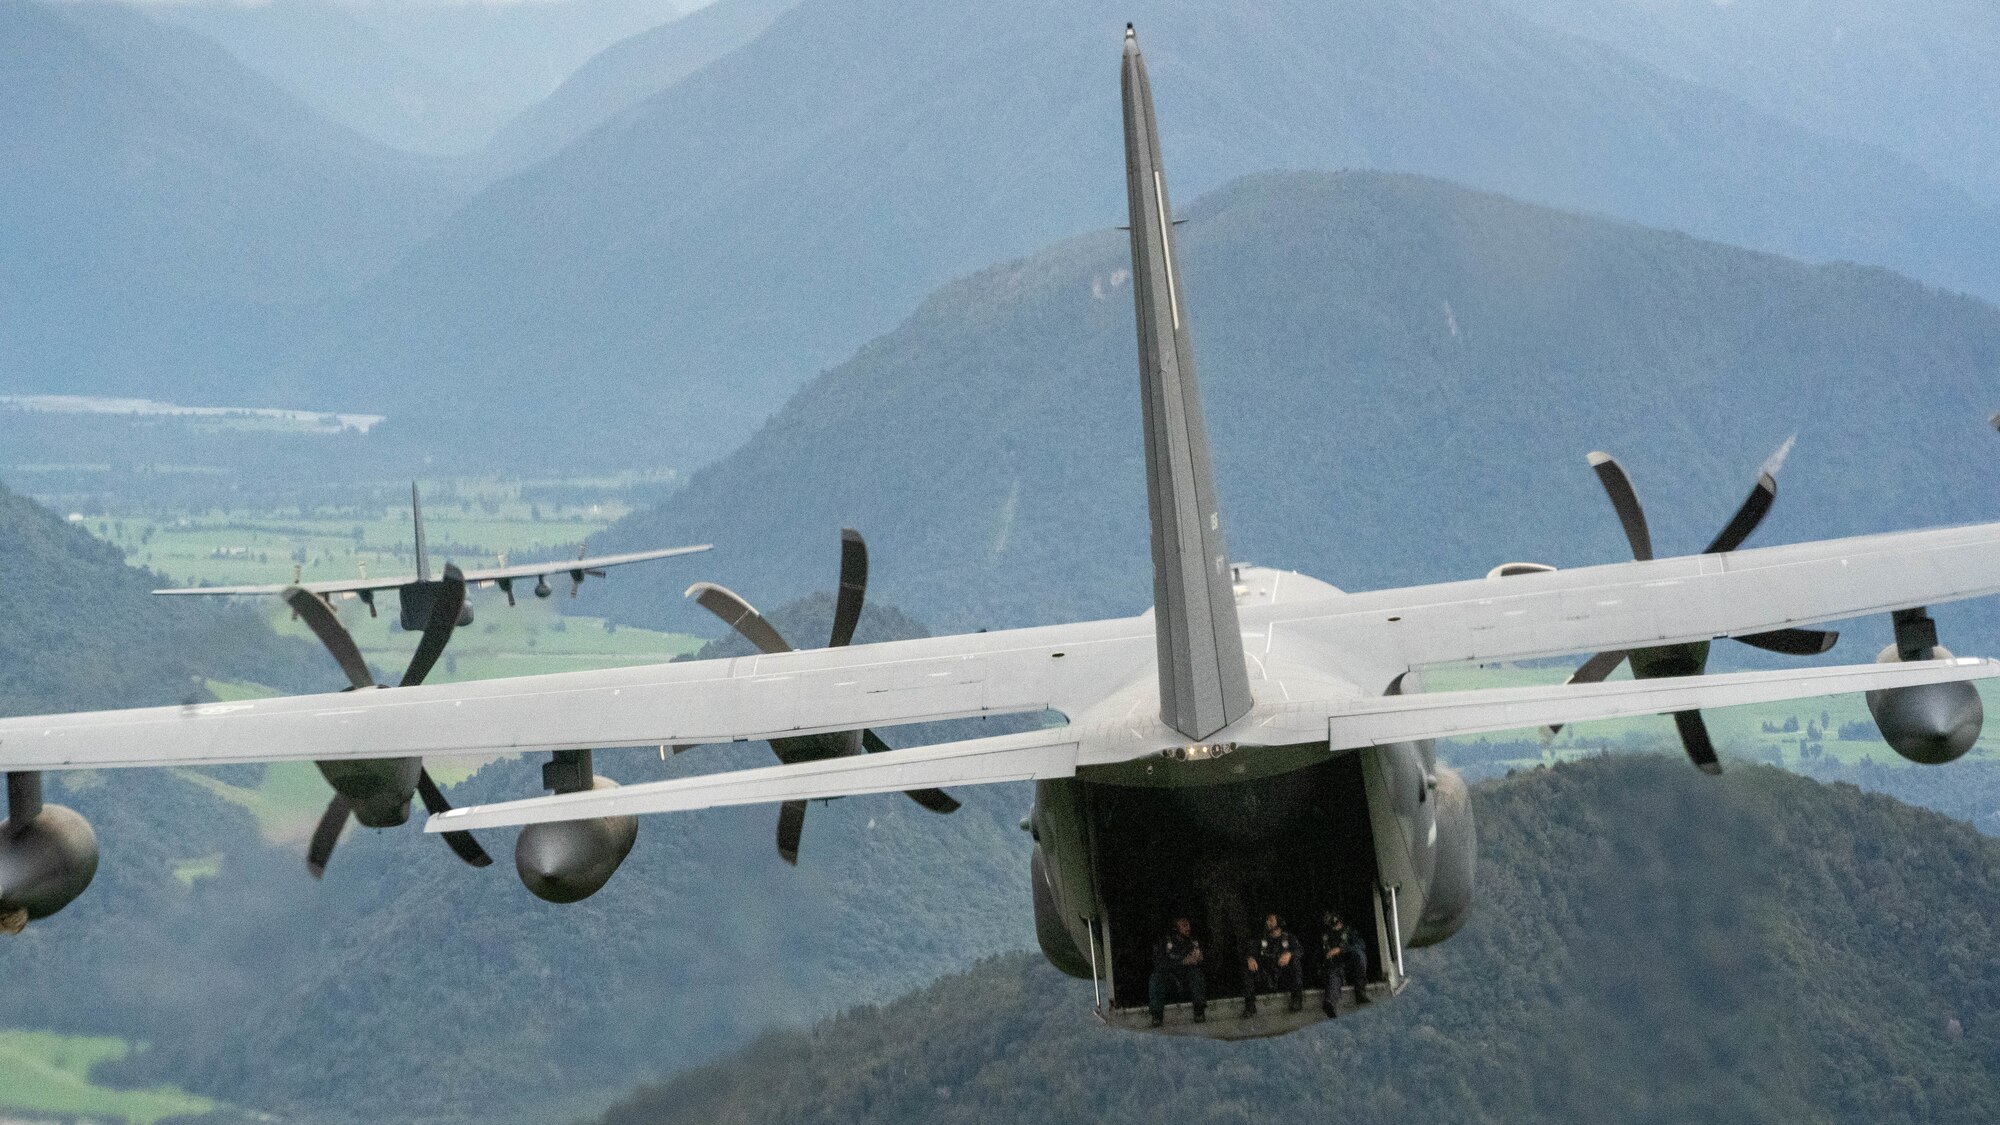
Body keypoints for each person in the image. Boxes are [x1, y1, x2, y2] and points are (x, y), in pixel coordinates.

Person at [1241, 912, 1304, 1016]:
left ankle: (1296, 999)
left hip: (1282, 978)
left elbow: (1300, 950)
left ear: (1278, 923)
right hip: (1266, 978)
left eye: (1271, 920)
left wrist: (1289, 953)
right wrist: (1250, 958)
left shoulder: (1288, 938)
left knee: (1295, 962)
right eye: (1267, 920)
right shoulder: (1261, 939)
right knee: (1247, 966)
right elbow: (1248, 951)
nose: (1267, 922)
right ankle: (1250, 1005)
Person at [1148, 916, 1206, 1026]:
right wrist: (1182, 962)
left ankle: (1199, 1011)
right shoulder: (1164, 943)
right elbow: (1159, 964)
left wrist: (1200, 958)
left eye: (1188, 925)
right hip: (1171, 981)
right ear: (1176, 928)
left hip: (1187, 981)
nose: (1188, 928)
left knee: (1196, 973)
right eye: (1184, 926)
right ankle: (1157, 1016)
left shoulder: (1193, 941)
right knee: (1156, 978)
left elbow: (1201, 960)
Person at [1318, 907, 1371, 1017]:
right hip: (1335, 968)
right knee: (1334, 976)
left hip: (1351, 968)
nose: (1326, 919)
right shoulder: (1326, 935)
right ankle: (1330, 1004)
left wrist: (1340, 949)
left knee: (1360, 955)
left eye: (1328, 916)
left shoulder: (1350, 932)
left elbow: (1360, 946)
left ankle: (1360, 992)